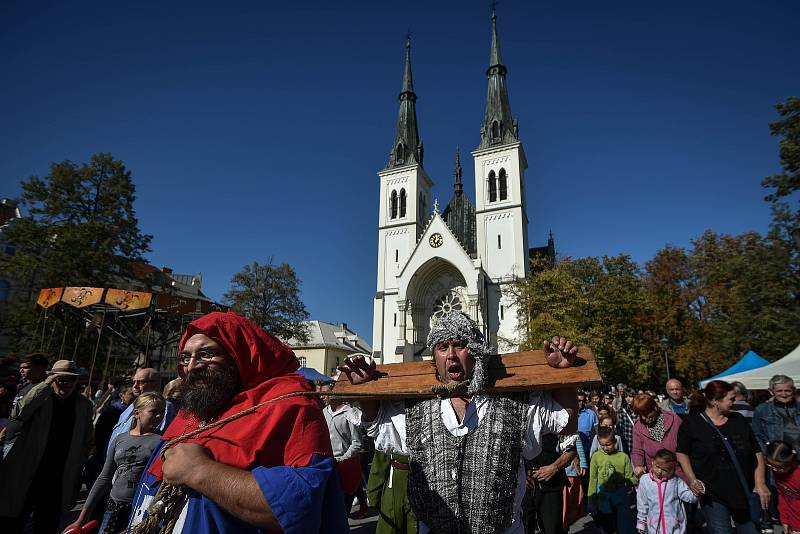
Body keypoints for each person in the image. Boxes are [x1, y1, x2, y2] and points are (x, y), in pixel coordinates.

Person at [340, 311, 578, 534]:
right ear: (434, 357)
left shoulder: (515, 404)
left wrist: (564, 375)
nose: (451, 354)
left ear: (475, 351)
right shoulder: (415, 410)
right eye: (443, 347)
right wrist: (365, 389)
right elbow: (377, 425)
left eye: (460, 345)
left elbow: (565, 421)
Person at [127, 311, 348, 533]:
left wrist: (199, 470)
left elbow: (300, 505)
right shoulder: (196, 407)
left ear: (237, 355)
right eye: (185, 357)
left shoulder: (288, 404)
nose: (191, 366)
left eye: (205, 354)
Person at [0, 359, 94, 534]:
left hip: (59, 474)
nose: (66, 383)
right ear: (51, 378)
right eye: (61, 379)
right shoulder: (39, 396)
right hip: (30, 470)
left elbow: (87, 440)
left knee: (47, 523)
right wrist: (45, 385)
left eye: (71, 379)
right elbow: (19, 413)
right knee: (14, 519)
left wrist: (79, 464)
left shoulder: (83, 405)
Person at [676, 380, 770, 534]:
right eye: (731, 399)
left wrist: (760, 483)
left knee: (750, 530)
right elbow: (682, 453)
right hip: (713, 494)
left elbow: (756, 451)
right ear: (715, 401)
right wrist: (692, 479)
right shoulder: (692, 423)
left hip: (743, 490)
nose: (735, 402)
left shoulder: (738, 420)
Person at [65, 392, 166, 534]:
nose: (159, 416)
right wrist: (81, 518)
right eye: (154, 412)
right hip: (112, 507)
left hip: (139, 510)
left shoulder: (161, 441)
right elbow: (104, 478)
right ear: (137, 413)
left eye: (162, 412)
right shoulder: (120, 439)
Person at [321, 383, 368, 517]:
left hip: (346, 465)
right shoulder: (324, 412)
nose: (322, 397)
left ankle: (361, 506)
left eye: (325, 393)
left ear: (334, 393)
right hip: (329, 464)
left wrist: (343, 458)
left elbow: (357, 443)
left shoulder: (350, 413)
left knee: (343, 508)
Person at [107, 367, 177, 451]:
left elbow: (159, 437)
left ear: (155, 384)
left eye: (141, 382)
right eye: (134, 382)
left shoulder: (164, 406)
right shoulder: (132, 405)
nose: (135, 386)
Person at [523, 434, 577, 534]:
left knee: (552, 529)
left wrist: (554, 468)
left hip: (551, 485)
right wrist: (520, 473)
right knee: (523, 528)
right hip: (523, 485)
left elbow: (572, 449)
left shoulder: (559, 419)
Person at [588, 426, 637, 534]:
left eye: (608, 444)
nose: (605, 448)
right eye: (602, 445)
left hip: (621, 500)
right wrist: (591, 500)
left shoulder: (623, 457)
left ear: (615, 441)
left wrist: (631, 480)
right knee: (608, 527)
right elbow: (593, 478)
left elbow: (630, 478)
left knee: (622, 527)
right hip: (604, 500)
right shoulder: (596, 457)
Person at [636, 449, 698, 534]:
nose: (659, 471)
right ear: (653, 462)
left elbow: (689, 497)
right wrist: (641, 523)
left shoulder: (676, 481)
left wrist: (697, 492)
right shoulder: (645, 480)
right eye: (657, 467)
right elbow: (642, 503)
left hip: (676, 528)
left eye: (664, 470)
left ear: (672, 470)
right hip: (654, 529)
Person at [631, 393, 684, 480]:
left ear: (654, 408)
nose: (644, 418)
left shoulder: (674, 419)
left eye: (646, 413)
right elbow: (637, 450)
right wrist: (639, 465)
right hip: (655, 477)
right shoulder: (638, 427)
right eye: (640, 414)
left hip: (677, 473)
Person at [752, 375, 800, 452]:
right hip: (778, 457)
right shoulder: (762, 410)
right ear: (771, 391)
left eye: (787, 390)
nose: (784, 395)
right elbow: (757, 435)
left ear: (794, 390)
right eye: (779, 391)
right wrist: (768, 453)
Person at [762, 440, 800, 534]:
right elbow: (783, 496)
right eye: (772, 466)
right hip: (793, 524)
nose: (775, 470)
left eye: (779, 467)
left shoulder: (798, 475)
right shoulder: (779, 472)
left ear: (791, 462)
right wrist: (785, 520)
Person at [578, 391, 599, 464]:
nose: (581, 403)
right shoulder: (568, 414)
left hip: (587, 451)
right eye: (579, 401)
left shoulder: (591, 414)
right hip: (572, 453)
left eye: (583, 401)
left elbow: (597, 432)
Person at [615, 389, 637, 455]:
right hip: (627, 441)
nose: (628, 399)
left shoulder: (639, 410)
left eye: (630, 396)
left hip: (637, 440)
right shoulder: (622, 411)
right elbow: (620, 429)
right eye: (626, 397)